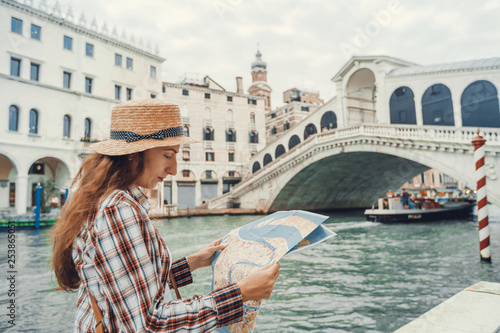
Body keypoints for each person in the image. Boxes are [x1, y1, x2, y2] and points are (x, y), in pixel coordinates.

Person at [51, 99, 280, 332]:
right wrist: (241, 294)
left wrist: (194, 262)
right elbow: (150, 324)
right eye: (168, 155)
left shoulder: (102, 200)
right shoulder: (118, 210)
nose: (174, 169)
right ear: (134, 153)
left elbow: (126, 286)